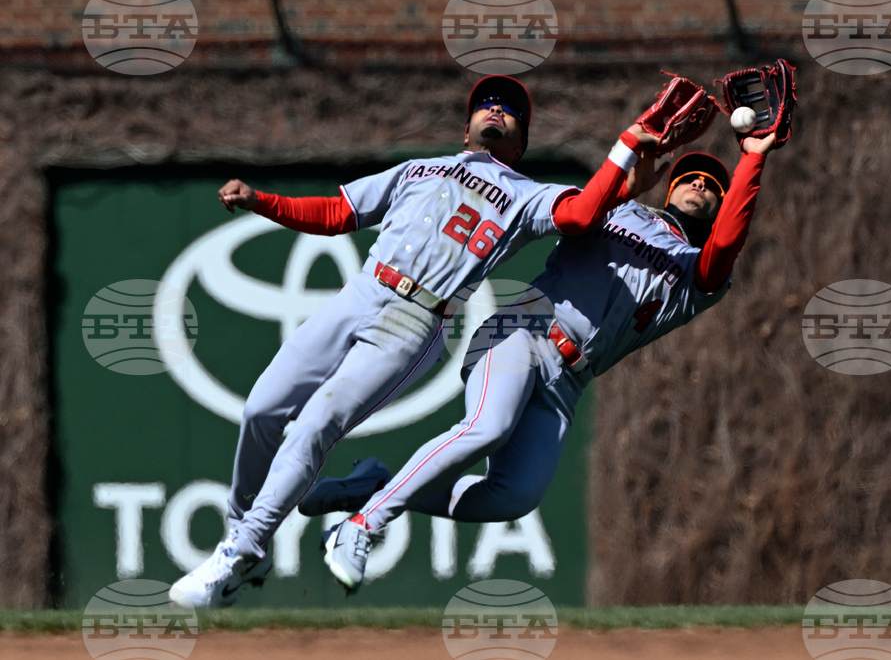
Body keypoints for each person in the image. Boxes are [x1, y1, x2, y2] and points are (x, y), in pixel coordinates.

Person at [167, 74, 669, 607]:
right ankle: (243, 535)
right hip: (362, 290)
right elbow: (339, 213)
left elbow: (583, 212)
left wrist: (625, 153)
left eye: (509, 110)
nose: (494, 110)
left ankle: (241, 550)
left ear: (522, 140)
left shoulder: (528, 194)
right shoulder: (419, 168)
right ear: (466, 126)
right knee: (261, 410)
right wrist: (263, 201)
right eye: (485, 104)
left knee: (317, 424)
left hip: (417, 316)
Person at [311, 132, 781, 594]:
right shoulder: (621, 211)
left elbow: (725, 247)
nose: (699, 184)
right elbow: (584, 208)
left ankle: (373, 487)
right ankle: (364, 525)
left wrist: (752, 158)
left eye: (712, 185)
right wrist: (634, 158)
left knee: (514, 496)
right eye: (690, 177)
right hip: (524, 329)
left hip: (569, 381)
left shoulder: (698, 273)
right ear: (669, 187)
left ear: (723, 205)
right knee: (487, 427)